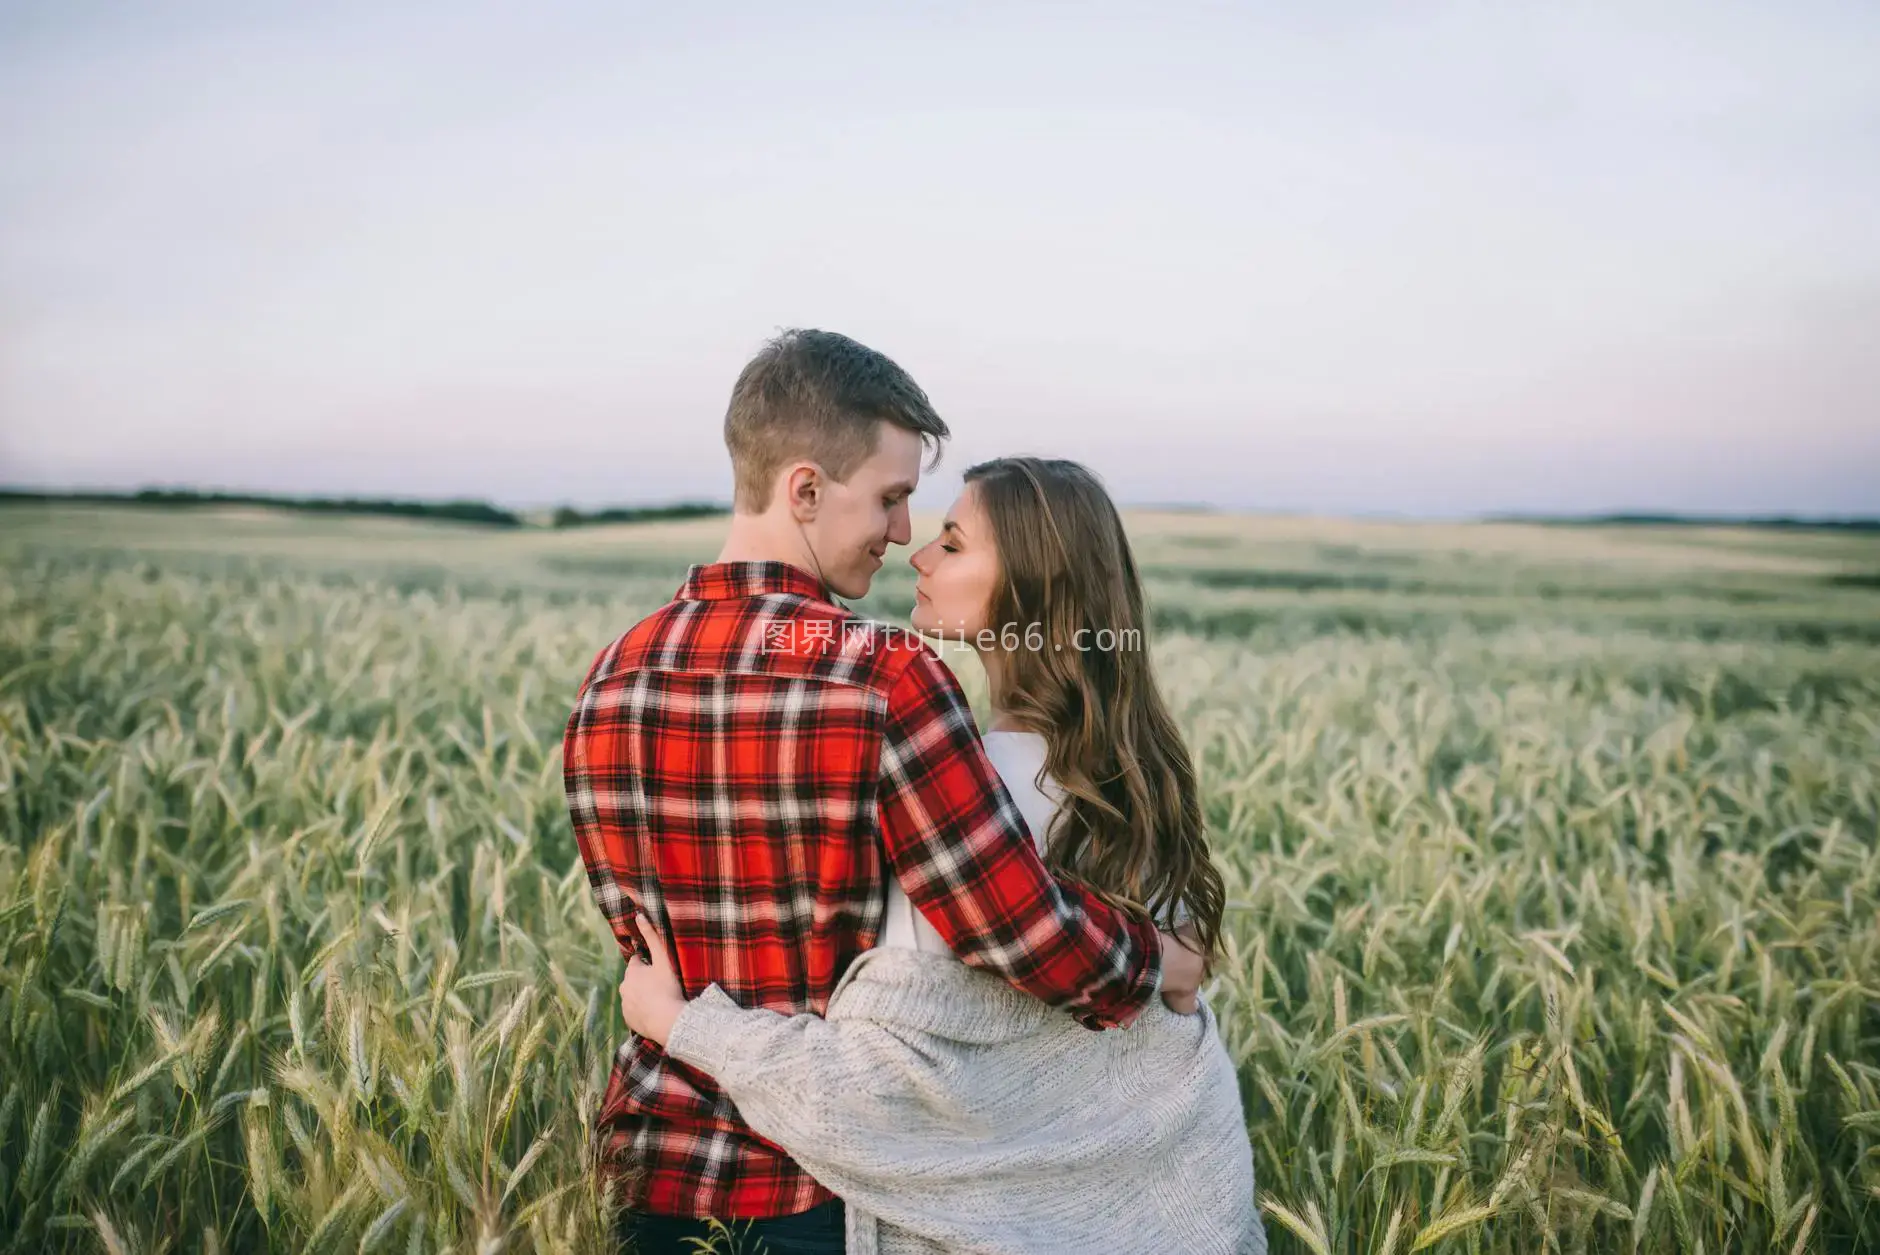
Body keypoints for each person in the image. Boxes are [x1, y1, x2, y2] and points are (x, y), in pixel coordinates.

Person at [562, 333, 1208, 1255]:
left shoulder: (612, 674)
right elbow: (1010, 927)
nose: (903, 532)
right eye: (893, 498)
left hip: (644, 1172)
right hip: (820, 1186)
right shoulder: (885, 675)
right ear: (807, 490)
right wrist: (1163, 962)